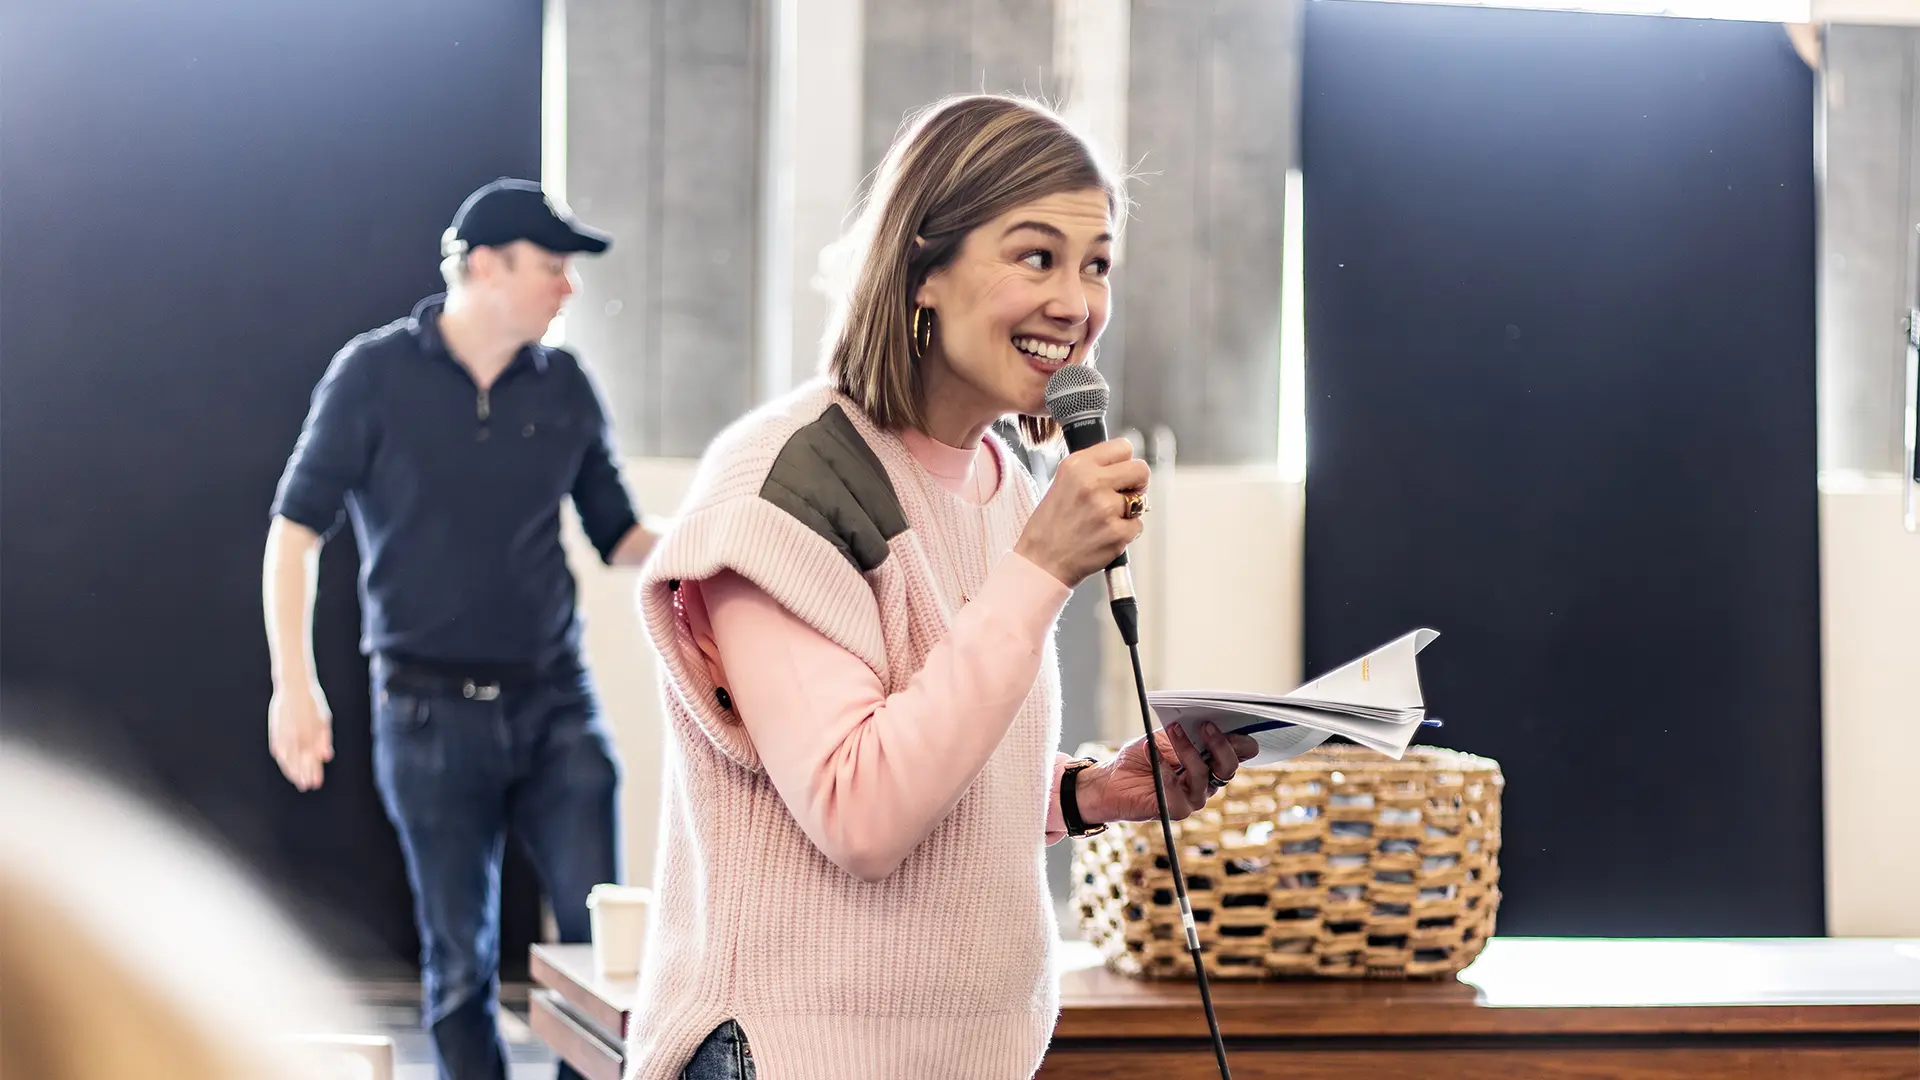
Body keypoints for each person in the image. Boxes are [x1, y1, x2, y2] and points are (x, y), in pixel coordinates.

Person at [627, 94, 1261, 1080]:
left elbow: (938, 751)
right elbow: (861, 813)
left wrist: (1085, 794)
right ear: (923, 270)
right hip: (796, 1056)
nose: (1076, 303)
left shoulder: (1004, 480)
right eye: (1036, 256)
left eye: (1096, 265)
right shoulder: (789, 486)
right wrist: (1042, 569)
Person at [263, 177, 657, 1080]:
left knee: (602, 956)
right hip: (427, 711)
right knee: (460, 963)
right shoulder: (373, 375)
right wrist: (296, 683)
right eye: (552, 265)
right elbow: (294, 532)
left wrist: (735, 531)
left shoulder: (566, 388)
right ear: (485, 266)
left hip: (558, 704)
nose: (569, 286)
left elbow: (621, 536)